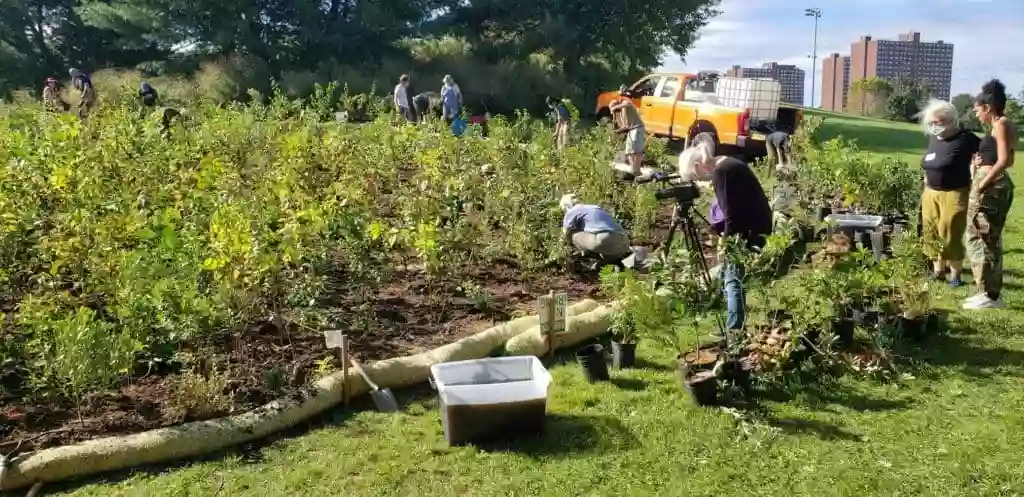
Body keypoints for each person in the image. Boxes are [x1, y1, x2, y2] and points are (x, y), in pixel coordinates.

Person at [689, 142, 773, 330]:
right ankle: (735, 321)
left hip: (750, 229)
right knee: (733, 277)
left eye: (695, 176)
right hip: (757, 224)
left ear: (697, 166)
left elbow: (730, 215)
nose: (699, 181)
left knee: (732, 279)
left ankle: (734, 330)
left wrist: (725, 245)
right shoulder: (730, 164)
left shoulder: (721, 172)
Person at [964, 79, 1016, 310]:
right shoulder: (999, 126)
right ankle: (987, 291)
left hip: (991, 189)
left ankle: (990, 295)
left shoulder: (1002, 124)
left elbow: (1005, 161)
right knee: (983, 237)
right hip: (991, 185)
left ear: (988, 108)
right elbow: (1009, 158)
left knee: (983, 238)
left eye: (977, 110)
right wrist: (979, 163)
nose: (976, 115)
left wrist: (984, 182)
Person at [917, 99, 977, 288]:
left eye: (938, 122)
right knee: (931, 231)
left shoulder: (966, 139)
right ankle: (938, 271)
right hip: (931, 192)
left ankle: (956, 275)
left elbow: (987, 153)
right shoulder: (935, 139)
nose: (934, 127)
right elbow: (928, 162)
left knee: (950, 231)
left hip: (955, 192)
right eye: (931, 123)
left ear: (952, 120)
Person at [560, 194, 631, 261]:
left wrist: (565, 244)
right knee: (604, 256)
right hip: (624, 243)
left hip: (604, 240)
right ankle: (607, 264)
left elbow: (565, 232)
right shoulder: (594, 207)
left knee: (572, 234)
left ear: (566, 206)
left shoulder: (573, 210)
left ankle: (583, 254)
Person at [609, 94, 645, 176]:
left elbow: (627, 104)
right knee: (629, 151)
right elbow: (625, 126)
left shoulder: (625, 103)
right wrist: (617, 131)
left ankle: (637, 171)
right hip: (631, 130)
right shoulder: (621, 113)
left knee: (636, 151)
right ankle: (633, 170)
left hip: (637, 128)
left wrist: (614, 108)